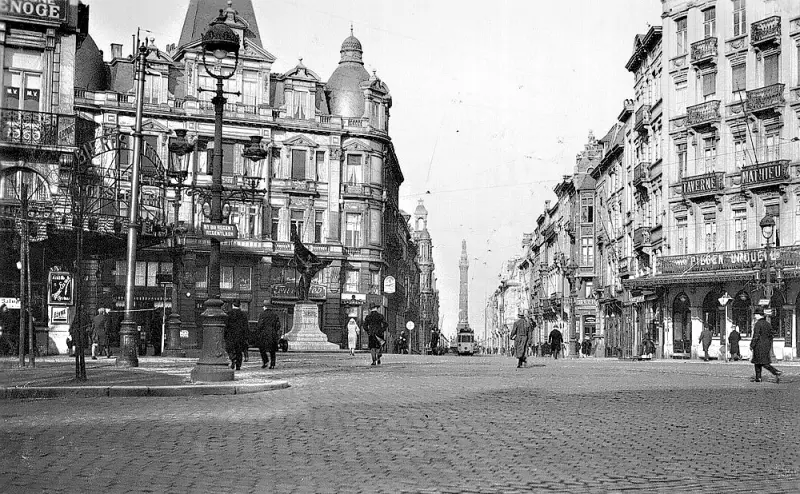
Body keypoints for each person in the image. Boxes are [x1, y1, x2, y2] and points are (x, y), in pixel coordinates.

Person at [750, 308, 782, 383]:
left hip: (759, 345)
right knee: (758, 362)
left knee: (762, 362)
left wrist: (752, 345)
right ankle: (758, 378)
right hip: (766, 345)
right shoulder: (767, 324)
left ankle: (775, 372)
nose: (755, 316)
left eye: (755, 315)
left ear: (758, 315)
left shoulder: (758, 324)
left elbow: (756, 336)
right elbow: (771, 334)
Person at [255, 299, 281, 369]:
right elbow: (278, 325)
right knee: (272, 351)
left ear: (264, 307)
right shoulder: (275, 315)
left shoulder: (262, 314)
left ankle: (265, 361)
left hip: (264, 335)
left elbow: (260, 325)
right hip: (272, 334)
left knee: (262, 349)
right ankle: (272, 364)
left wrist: (258, 332)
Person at [224, 300, 249, 371]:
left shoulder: (229, 314)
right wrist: (246, 336)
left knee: (229, 349)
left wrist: (225, 335)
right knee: (239, 351)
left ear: (232, 305)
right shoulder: (243, 315)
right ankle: (238, 365)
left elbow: (226, 326)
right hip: (240, 336)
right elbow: (246, 327)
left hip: (230, 336)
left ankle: (233, 358)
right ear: (239, 305)